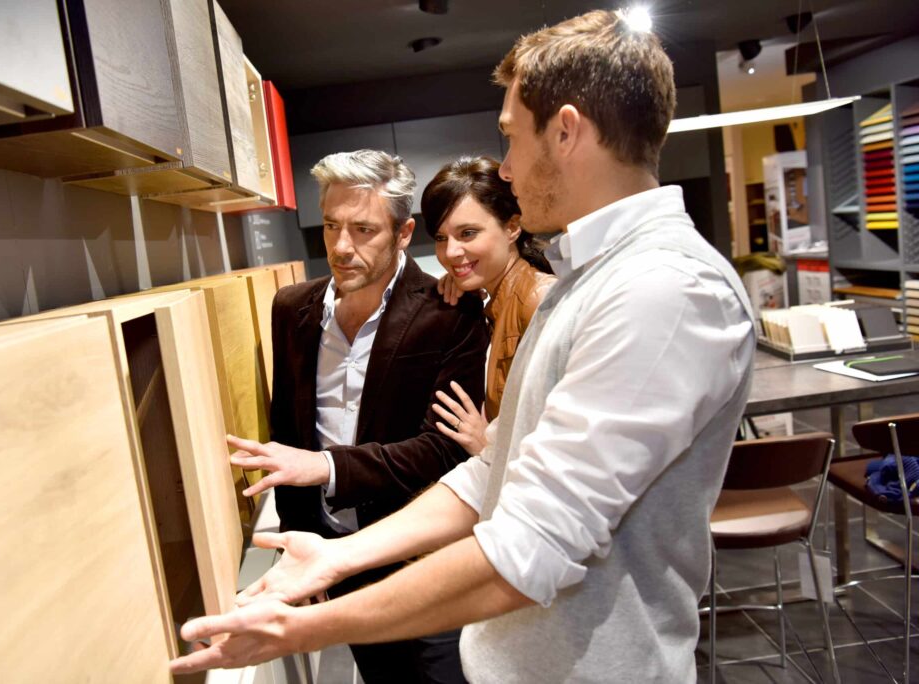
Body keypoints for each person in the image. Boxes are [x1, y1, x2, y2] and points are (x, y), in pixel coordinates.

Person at [171, 10, 755, 683]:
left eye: (511, 138)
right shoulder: (591, 276)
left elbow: (531, 544)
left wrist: (296, 627)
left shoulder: (664, 289)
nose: (505, 169)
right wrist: (341, 556)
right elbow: (494, 471)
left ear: (566, 132)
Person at [224, 148, 489, 683]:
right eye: (330, 226)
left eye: (364, 229)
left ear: (404, 231)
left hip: (421, 562)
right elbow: (288, 435)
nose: (342, 248)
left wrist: (326, 468)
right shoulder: (290, 309)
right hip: (329, 558)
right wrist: (307, 549)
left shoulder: (451, 311)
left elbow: (443, 448)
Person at [422, 155, 556, 456]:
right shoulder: (492, 300)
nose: (451, 251)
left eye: (468, 233)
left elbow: (561, 436)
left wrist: (489, 446)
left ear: (512, 227)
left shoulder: (538, 301)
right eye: (442, 238)